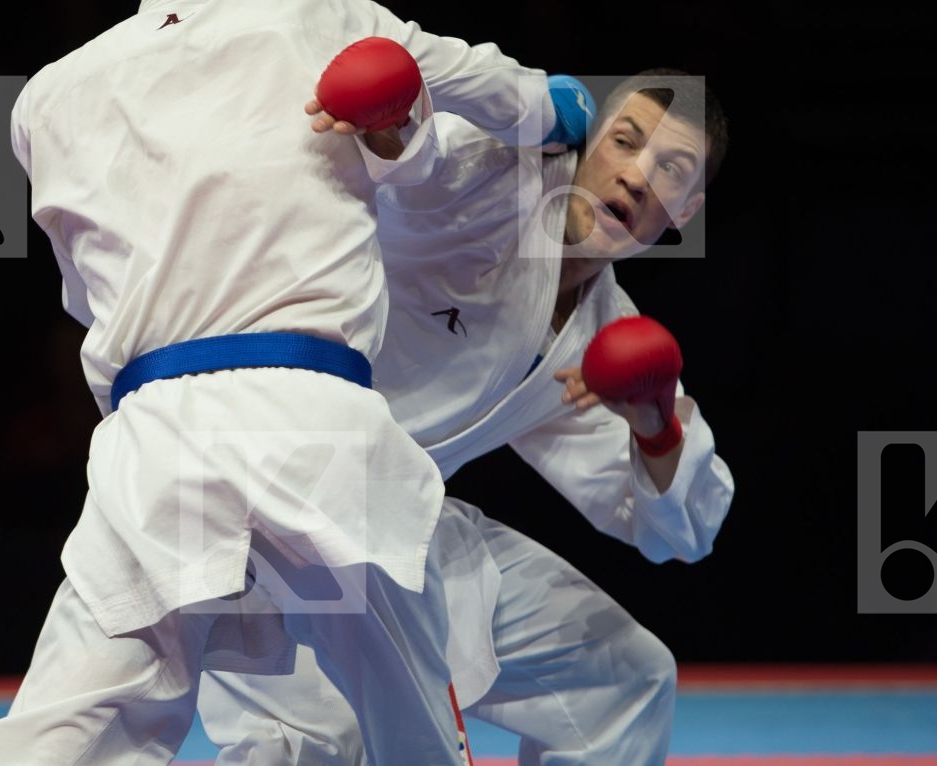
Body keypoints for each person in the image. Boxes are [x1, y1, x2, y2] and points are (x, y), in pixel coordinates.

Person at [0, 0, 586, 766]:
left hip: (156, 435)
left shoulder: (48, 98)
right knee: (413, 735)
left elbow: (88, 296)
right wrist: (561, 110)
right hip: (319, 427)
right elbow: (516, 95)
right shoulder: (331, 23)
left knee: (75, 726)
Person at [198, 70, 737, 765]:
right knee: (314, 749)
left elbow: (683, 532)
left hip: (405, 530)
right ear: (585, 144)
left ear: (685, 210)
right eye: (624, 142)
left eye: (669, 170)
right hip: (271, 509)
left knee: (626, 679)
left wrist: (653, 423)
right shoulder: (493, 179)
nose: (636, 176)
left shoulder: (605, 347)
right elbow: (419, 156)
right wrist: (391, 128)